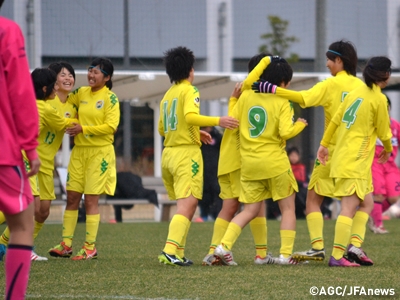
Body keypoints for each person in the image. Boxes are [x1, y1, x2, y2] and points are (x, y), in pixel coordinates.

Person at [252, 40, 367, 263]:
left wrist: (273, 89)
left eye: (329, 59)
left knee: (313, 199)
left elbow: (304, 98)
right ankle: (354, 246)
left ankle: (318, 247)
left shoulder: (330, 84)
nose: (326, 64)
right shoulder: (362, 88)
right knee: (360, 203)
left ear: (339, 61)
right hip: (356, 154)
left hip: (329, 151)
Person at [213, 57, 308, 266]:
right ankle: (285, 256)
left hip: (249, 164)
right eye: (287, 82)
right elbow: (285, 132)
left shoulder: (246, 97)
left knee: (248, 211)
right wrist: (300, 125)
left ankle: (223, 247)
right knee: (288, 209)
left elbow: (233, 120)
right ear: (282, 82)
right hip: (275, 163)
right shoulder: (283, 101)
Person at [157, 46, 239, 266]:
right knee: (188, 204)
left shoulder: (167, 95)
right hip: (186, 155)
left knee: (185, 205)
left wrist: (194, 132)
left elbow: (162, 128)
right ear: (190, 70)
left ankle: (178, 252)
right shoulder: (189, 90)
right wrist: (217, 121)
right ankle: (169, 251)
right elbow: (191, 116)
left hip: (169, 154)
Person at [202, 54, 284, 266]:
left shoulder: (243, 95)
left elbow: (234, 120)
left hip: (226, 158)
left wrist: (232, 99)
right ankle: (260, 254)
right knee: (256, 206)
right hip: (242, 159)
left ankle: (213, 252)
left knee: (229, 206)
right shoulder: (258, 95)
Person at [316, 56, 392, 267]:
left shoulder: (355, 92)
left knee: (367, 204)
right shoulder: (379, 99)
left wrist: (323, 144)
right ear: (385, 75)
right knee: (349, 207)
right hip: (355, 159)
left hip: (346, 157)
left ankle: (354, 247)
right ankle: (337, 257)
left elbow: (335, 120)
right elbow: (385, 132)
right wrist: (388, 149)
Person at [49, 57, 120, 260]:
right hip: (79, 152)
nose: (91, 75)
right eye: (90, 70)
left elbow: (111, 127)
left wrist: (83, 127)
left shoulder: (110, 98)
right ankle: (66, 244)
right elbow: (64, 105)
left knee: (90, 200)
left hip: (100, 153)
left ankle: (90, 247)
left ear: (106, 78)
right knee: (71, 197)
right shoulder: (80, 93)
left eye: (96, 72)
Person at [0, 3, 40, 298]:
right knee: (23, 224)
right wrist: (31, 146)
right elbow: (21, 93)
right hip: (3, 151)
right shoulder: (7, 30)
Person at [369, 95, 400, 234]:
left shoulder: (395, 125)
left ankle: (368, 214)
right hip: (376, 163)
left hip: (391, 165)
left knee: (393, 197)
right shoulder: (371, 126)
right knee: (379, 195)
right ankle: (378, 225)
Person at [107, 158, 158, 223]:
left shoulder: (122, 178)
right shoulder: (125, 177)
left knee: (116, 200)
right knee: (116, 200)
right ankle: (118, 221)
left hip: (128, 196)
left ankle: (118, 221)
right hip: (126, 196)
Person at [197, 126, 223, 221]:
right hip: (203, 170)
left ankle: (217, 215)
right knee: (204, 195)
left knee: (217, 193)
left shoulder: (217, 136)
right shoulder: (198, 135)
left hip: (216, 171)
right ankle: (204, 215)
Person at [287, 146, 308, 219]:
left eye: (295, 156)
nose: (293, 158)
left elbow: (305, 180)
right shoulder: (287, 167)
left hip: (302, 189)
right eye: (292, 156)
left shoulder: (302, 167)